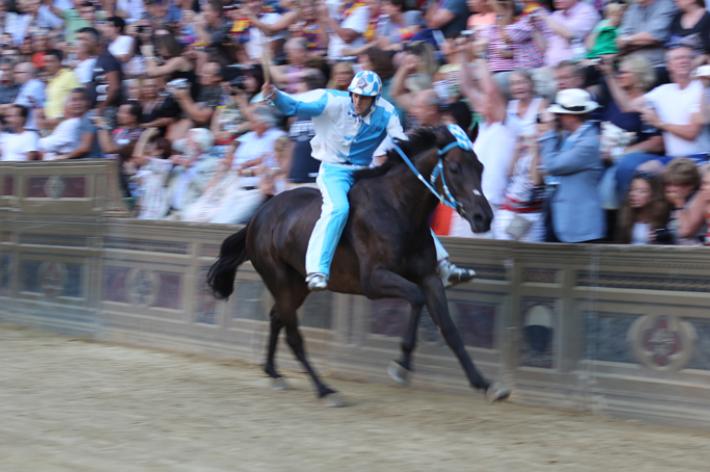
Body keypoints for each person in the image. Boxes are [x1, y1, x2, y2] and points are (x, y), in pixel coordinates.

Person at [263, 70, 476, 290]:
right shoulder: (333, 102)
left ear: (375, 99)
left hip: (364, 171)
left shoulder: (387, 111)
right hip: (333, 172)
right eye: (354, 95)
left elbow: (401, 141)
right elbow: (295, 108)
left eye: (363, 97)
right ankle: (317, 269)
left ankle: (443, 265)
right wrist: (276, 96)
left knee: (404, 210)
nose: (357, 101)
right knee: (338, 209)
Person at [537, 88, 606, 242]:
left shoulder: (588, 143)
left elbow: (552, 165)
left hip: (580, 226)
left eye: (560, 114)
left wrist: (549, 133)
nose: (557, 118)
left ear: (572, 117)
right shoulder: (569, 137)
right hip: (560, 218)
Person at [616, 172, 671, 244]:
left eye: (641, 191)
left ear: (652, 195)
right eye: (632, 189)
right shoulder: (626, 216)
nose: (633, 194)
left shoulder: (662, 217)